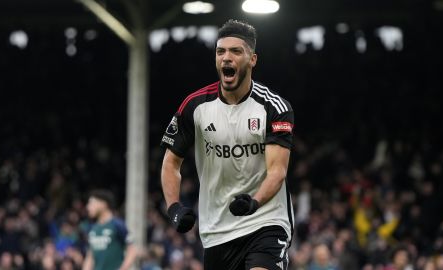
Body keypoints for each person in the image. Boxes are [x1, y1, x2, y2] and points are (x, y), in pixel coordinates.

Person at [161, 19, 295, 270]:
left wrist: (254, 202)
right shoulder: (195, 106)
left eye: (236, 51)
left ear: (252, 59)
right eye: (220, 51)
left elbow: (278, 172)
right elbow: (171, 162)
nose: (226, 58)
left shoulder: (274, 107)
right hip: (217, 230)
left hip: (265, 220)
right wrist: (174, 208)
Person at [82, 190, 137, 270]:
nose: (88, 207)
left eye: (92, 203)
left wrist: (123, 268)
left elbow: (132, 251)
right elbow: (90, 256)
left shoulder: (117, 225)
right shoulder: (92, 228)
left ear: (103, 204)